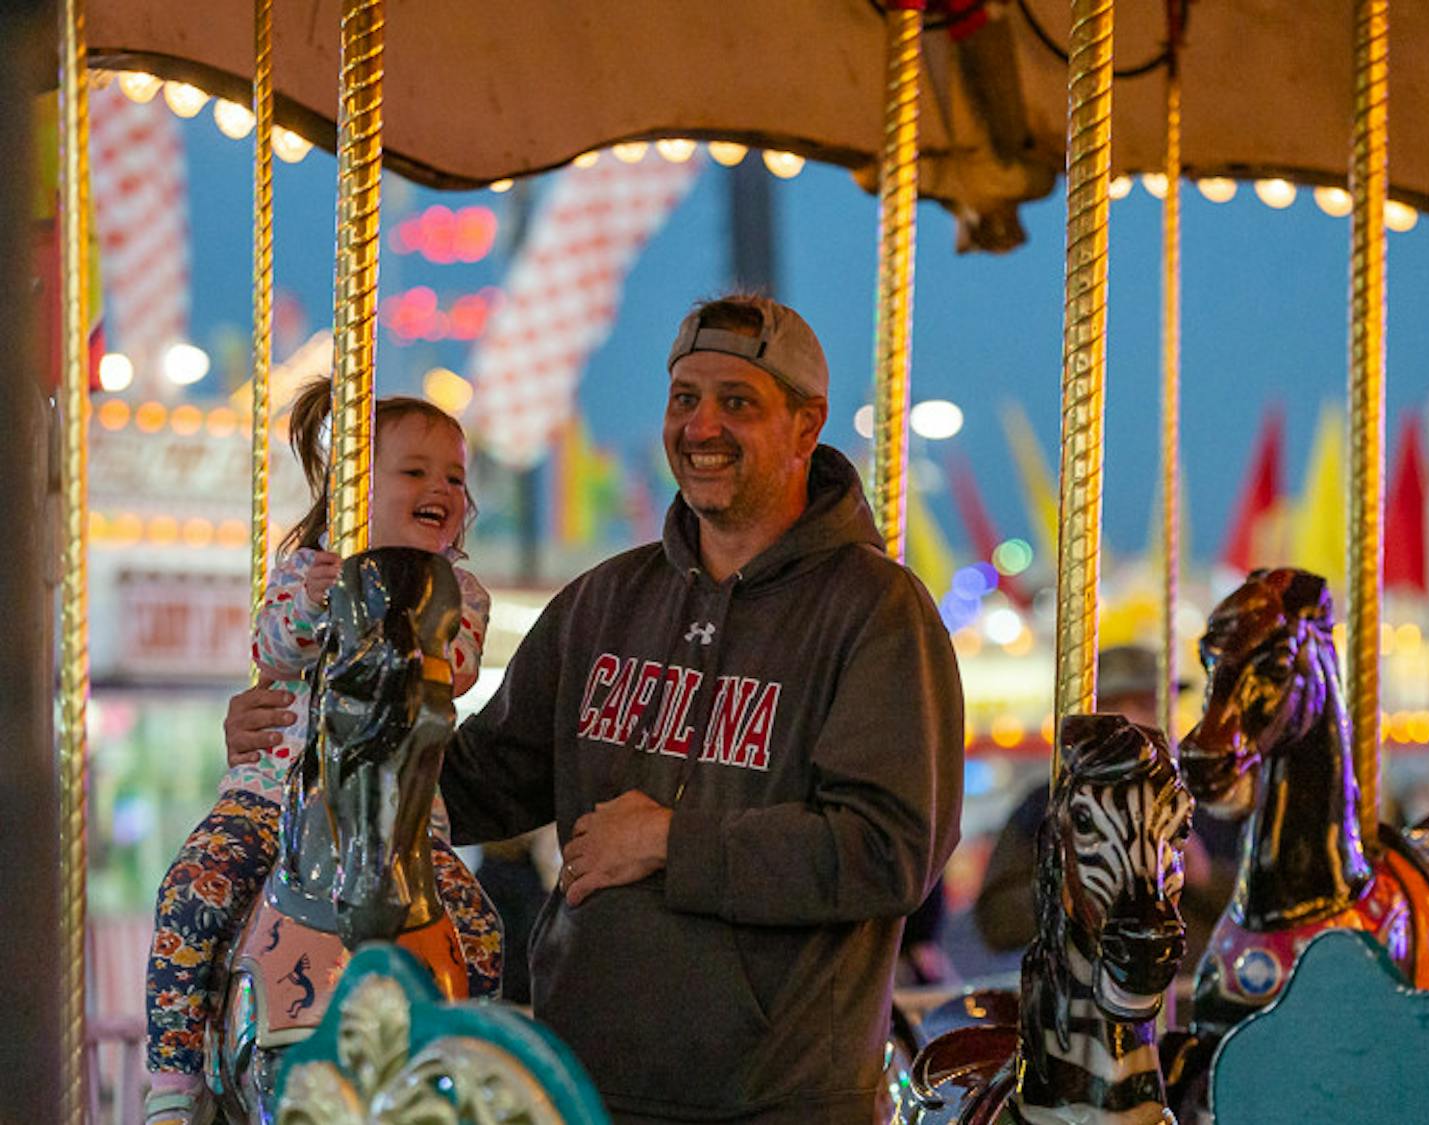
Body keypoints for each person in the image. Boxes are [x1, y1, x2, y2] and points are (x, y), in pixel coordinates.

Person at [225, 294, 965, 1123]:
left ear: (806, 427)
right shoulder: (605, 602)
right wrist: (303, 735)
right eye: (684, 398)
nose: (701, 426)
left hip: (774, 1097)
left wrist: (670, 842)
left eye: (736, 401)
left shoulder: (875, 613)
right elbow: (473, 782)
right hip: (584, 1084)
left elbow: (889, 848)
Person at [145, 382, 504, 1125]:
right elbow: (271, 646)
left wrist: (403, 611)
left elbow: (456, 664)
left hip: (400, 823)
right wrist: (319, 598)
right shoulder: (303, 571)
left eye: (455, 477)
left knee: (479, 926)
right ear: (353, 483)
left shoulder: (457, 591)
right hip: (270, 799)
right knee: (194, 890)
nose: (442, 487)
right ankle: (175, 1077)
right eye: (416, 471)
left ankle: (473, 1073)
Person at [973, 644, 1240, 968]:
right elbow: (996, 921)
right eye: (1113, 707)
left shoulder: (1209, 799)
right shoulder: (1047, 804)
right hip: (1088, 994)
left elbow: (1258, 905)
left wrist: (1206, 876)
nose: (1133, 720)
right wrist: (1078, 885)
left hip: (1187, 992)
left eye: (1144, 704)